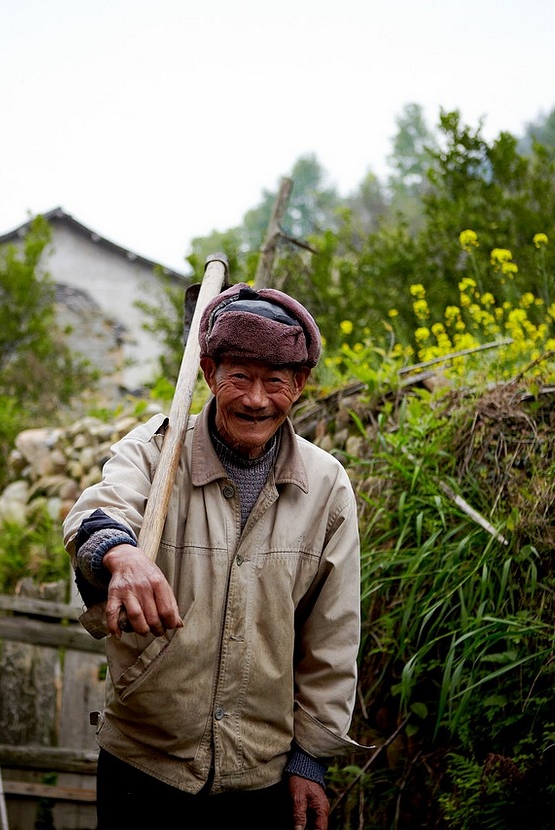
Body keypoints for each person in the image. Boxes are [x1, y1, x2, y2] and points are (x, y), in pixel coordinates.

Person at [63, 283, 366, 829]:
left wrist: (310, 758)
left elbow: (333, 634)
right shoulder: (154, 453)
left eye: (275, 381)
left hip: (260, 777)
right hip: (145, 764)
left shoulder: (326, 487)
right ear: (208, 373)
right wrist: (122, 554)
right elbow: (95, 513)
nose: (256, 399)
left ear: (299, 385)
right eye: (240, 378)